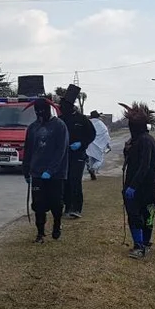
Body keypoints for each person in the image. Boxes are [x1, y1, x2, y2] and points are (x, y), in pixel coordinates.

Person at [23, 97, 69, 242]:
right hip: (37, 172)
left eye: (42, 112)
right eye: (37, 112)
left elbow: (61, 150)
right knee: (39, 204)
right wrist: (26, 171)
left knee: (56, 203)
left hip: (56, 174)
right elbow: (28, 150)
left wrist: (51, 170)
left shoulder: (59, 126)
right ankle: (40, 233)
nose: (40, 115)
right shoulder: (32, 128)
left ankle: (57, 224)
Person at [120, 103, 155, 260]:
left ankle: (142, 244)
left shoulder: (146, 141)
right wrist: (127, 150)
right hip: (135, 185)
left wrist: (133, 186)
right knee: (136, 215)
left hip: (145, 186)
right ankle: (140, 244)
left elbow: (144, 165)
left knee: (145, 215)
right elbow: (131, 161)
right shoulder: (135, 141)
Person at [58, 84, 96, 219]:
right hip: (64, 156)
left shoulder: (82, 119)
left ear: (70, 105)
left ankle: (76, 208)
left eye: (64, 105)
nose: (62, 108)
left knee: (75, 181)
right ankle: (67, 207)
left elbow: (91, 134)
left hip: (78, 155)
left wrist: (81, 144)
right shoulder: (60, 120)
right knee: (65, 181)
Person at [86, 110, 112, 180]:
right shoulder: (101, 124)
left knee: (91, 159)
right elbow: (105, 135)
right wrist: (107, 144)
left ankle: (92, 172)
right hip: (99, 145)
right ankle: (93, 169)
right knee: (99, 160)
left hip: (89, 144)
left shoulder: (88, 123)